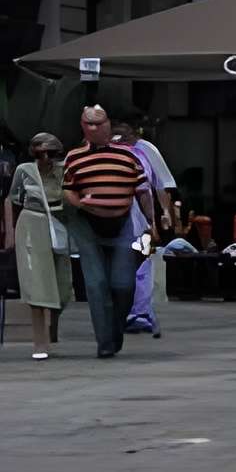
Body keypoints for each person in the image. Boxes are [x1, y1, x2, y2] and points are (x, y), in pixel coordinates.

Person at [58, 106, 149, 360]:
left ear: (108, 125)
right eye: (89, 124)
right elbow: (67, 189)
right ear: (83, 127)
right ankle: (104, 342)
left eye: (99, 124)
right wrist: (79, 203)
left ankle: (116, 329)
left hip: (121, 226)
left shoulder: (129, 157)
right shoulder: (75, 157)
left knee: (123, 284)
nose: (94, 128)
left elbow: (142, 191)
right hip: (88, 225)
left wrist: (153, 222)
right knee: (97, 285)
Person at [10, 132, 69, 360]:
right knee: (37, 286)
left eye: (50, 153)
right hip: (32, 221)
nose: (45, 158)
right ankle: (39, 342)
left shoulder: (64, 170)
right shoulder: (24, 170)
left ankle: (52, 325)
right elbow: (14, 198)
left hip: (59, 223)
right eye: (40, 153)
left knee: (63, 287)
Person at [124, 114, 177, 340]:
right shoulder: (100, 148)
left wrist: (165, 213)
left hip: (141, 218)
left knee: (143, 263)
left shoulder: (145, 150)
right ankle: (128, 311)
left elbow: (161, 183)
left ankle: (141, 312)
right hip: (109, 216)